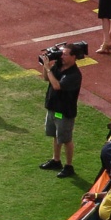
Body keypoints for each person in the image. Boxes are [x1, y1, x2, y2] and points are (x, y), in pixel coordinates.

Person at [39, 43, 82, 178]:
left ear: (73, 57)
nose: (61, 56)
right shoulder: (58, 65)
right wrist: (46, 67)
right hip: (53, 108)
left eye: (65, 54)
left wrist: (48, 68)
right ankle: (56, 160)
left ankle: (69, 166)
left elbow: (57, 86)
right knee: (56, 136)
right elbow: (47, 78)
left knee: (66, 139)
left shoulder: (74, 74)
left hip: (64, 111)